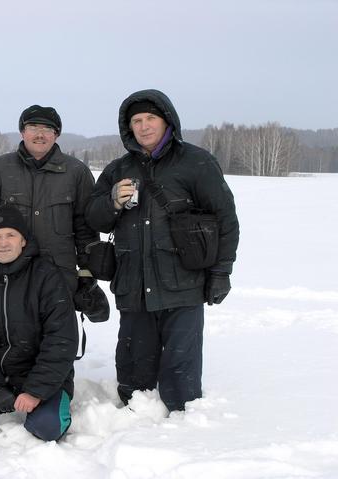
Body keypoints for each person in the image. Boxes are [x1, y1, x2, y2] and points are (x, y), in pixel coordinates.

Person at [85, 89, 239, 413]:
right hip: (133, 286)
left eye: (150, 118)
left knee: (182, 381)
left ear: (167, 119)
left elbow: (225, 220)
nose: (143, 126)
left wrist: (221, 271)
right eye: (136, 121)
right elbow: (93, 216)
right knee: (134, 382)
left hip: (183, 285)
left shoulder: (197, 163)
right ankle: (133, 431)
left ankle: (182, 438)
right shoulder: (118, 169)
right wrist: (112, 200)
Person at [0, 104, 106, 323]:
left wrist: (86, 271)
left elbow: (85, 228)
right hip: (8, 273)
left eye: (48, 129)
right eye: (33, 127)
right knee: (11, 335)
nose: (40, 134)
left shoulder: (77, 172)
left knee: (56, 340)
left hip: (59, 274)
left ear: (56, 134)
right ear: (22, 132)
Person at [0, 204, 78, 441]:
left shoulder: (47, 277)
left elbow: (62, 341)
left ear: (23, 241)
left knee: (48, 428)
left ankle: (45, 413)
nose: (3, 242)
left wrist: (35, 391)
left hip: (41, 377)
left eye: (11, 235)